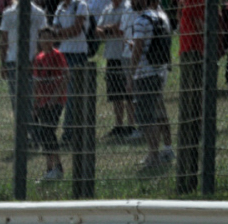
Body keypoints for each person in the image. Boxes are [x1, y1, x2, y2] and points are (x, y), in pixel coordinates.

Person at [128, 0, 173, 169]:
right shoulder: (162, 16)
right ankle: (167, 149)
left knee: (147, 117)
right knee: (160, 112)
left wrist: (130, 76)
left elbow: (138, 50)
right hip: (160, 71)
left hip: (145, 74)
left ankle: (153, 157)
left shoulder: (141, 21)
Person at [51, 0, 89, 145]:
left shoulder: (80, 5)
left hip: (77, 54)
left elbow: (77, 30)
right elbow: (55, 32)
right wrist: (61, 33)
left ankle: (69, 133)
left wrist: (59, 33)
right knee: (60, 93)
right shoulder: (60, 7)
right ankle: (53, 129)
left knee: (72, 95)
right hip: (63, 53)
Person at [32, 27, 68, 181]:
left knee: (49, 132)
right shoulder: (38, 58)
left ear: (53, 40)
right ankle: (50, 169)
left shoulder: (57, 55)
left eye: (49, 38)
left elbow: (65, 76)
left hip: (55, 101)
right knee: (45, 134)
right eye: (43, 38)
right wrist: (35, 102)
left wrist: (54, 97)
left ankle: (57, 168)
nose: (46, 41)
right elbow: (36, 82)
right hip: (42, 101)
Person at [0, 0, 48, 106]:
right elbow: (4, 40)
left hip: (32, 60)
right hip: (13, 60)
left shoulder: (38, 13)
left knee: (32, 97)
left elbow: (43, 39)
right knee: (15, 98)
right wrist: (3, 64)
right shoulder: (8, 13)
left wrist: (37, 60)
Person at [97, 0, 134, 138]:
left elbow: (121, 29)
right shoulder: (107, 9)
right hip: (111, 55)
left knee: (128, 92)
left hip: (125, 55)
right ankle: (118, 126)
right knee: (115, 93)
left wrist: (106, 30)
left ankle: (131, 126)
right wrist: (110, 29)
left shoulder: (128, 7)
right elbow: (97, 30)